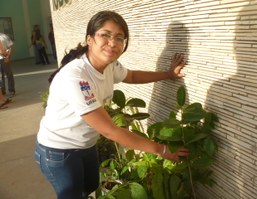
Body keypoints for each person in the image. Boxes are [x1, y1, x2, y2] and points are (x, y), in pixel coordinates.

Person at [35, 10, 188, 199]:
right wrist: (162, 150)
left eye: (119, 37)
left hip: (86, 145)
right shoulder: (76, 77)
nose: (112, 43)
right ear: (89, 39)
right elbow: (111, 131)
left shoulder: (110, 65)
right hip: (58, 151)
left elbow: (131, 76)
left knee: (90, 187)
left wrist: (168, 74)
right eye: (105, 35)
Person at [0, 33, 15, 97]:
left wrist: (8, 57)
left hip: (4, 58)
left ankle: (11, 90)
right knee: (0, 77)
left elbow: (10, 47)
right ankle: (2, 92)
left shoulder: (4, 36)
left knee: (9, 74)